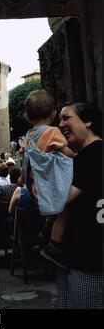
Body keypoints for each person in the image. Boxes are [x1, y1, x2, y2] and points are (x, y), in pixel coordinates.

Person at [56, 102, 103, 309]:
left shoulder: (92, 154)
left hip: (89, 260)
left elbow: (59, 200)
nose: (61, 124)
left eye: (66, 117)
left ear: (87, 121)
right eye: (59, 119)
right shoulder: (87, 155)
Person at [21, 90, 75, 266]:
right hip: (51, 184)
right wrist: (78, 154)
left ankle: (47, 226)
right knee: (64, 211)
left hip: (36, 185)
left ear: (27, 117)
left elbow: (26, 155)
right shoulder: (53, 132)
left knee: (55, 211)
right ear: (54, 114)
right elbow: (66, 152)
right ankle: (54, 244)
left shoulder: (28, 136)